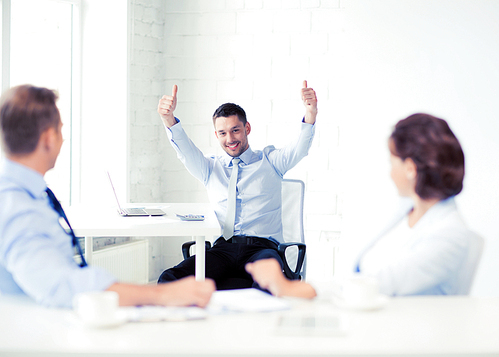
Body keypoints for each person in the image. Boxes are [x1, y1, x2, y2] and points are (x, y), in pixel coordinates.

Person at [0, 85, 215, 308]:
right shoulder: (17, 207)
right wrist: (161, 295)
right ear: (48, 138)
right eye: (61, 131)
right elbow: (60, 285)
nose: (63, 141)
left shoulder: (25, 195)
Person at [247, 113, 474, 298]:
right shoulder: (407, 211)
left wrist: (289, 288)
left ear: (410, 169)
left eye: (392, 162)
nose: (390, 171)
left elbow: (379, 283)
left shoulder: (450, 234)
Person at [156, 81, 317, 289]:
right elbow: (185, 151)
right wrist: (168, 119)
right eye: (222, 133)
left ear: (246, 128)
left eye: (235, 130)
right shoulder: (210, 168)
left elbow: (300, 148)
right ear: (216, 135)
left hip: (262, 250)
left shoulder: (271, 162)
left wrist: (310, 112)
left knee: (269, 285)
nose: (230, 138)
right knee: (169, 279)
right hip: (222, 251)